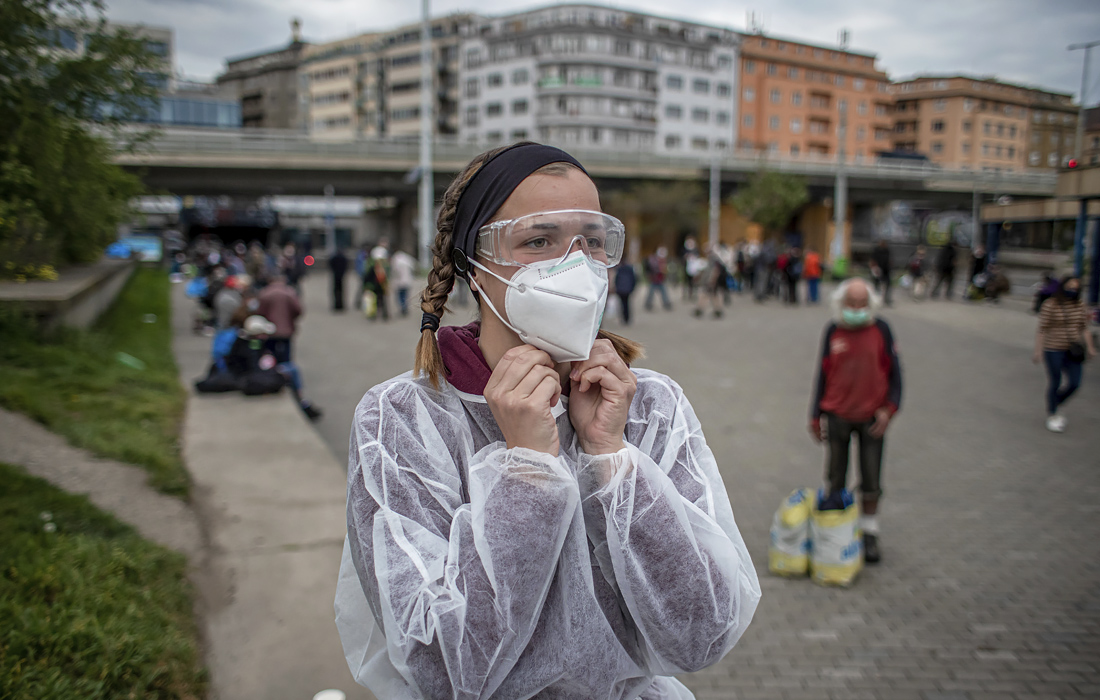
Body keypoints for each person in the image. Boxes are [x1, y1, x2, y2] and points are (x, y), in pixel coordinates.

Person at [334, 142, 760, 699]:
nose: (575, 267)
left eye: (594, 243)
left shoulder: (649, 405)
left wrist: (610, 456)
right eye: (538, 241)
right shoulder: (402, 419)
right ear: (473, 267)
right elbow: (439, 666)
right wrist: (526, 470)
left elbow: (701, 633)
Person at [809, 278, 903, 564]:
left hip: (872, 417)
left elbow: (896, 376)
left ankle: (869, 533)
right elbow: (822, 373)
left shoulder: (881, 330)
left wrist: (889, 410)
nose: (857, 309)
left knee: (871, 479)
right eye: (852, 303)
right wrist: (815, 414)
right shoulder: (833, 330)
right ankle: (835, 533)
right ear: (841, 303)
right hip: (837, 414)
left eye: (862, 304)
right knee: (835, 475)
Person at [1033, 275, 1096, 432]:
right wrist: (1038, 351)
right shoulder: (1051, 304)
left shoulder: (1080, 305)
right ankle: (1053, 413)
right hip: (1053, 348)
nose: (1073, 291)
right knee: (1055, 380)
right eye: (1070, 288)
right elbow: (1042, 329)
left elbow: (1084, 327)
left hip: (1073, 349)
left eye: (1076, 289)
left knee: (1075, 383)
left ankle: (1056, 401)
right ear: (1063, 287)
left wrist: (1090, 347)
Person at [256, 274, 322, 420]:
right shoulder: (289, 292)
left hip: (270, 332)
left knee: (272, 357)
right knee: (287, 359)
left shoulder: (265, 293)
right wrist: (290, 319)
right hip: (286, 332)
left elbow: (259, 312)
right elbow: (298, 310)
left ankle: (276, 376)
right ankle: (287, 381)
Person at [643, 246, 673, 311]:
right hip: (654, 278)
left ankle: (666, 303)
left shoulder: (663, 260)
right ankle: (648, 304)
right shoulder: (653, 259)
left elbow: (665, 269)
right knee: (651, 292)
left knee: (663, 292)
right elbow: (652, 268)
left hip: (660, 279)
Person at [390, 248, 417, 317]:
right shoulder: (407, 259)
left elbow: (394, 271)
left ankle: (402, 308)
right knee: (405, 295)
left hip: (399, 282)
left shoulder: (396, 260)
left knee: (400, 296)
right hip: (407, 281)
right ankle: (405, 307)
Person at [613, 258, 637, 325]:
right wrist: (632, 287)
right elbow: (634, 279)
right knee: (627, 304)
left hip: (621, 289)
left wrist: (616, 287)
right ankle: (627, 318)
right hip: (628, 289)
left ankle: (623, 317)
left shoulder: (619, 269)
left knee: (622, 304)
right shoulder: (630, 268)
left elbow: (616, 279)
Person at [870, 239, 893, 306]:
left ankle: (886, 299)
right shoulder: (876, 250)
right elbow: (873, 260)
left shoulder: (887, 250)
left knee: (888, 284)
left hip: (886, 269)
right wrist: (874, 268)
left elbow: (889, 259)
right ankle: (875, 299)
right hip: (878, 269)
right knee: (876, 285)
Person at [329, 247, 349, 312]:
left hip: (336, 275)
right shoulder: (343, 258)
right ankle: (341, 305)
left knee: (336, 291)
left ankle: (337, 305)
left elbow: (330, 264)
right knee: (341, 291)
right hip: (341, 276)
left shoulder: (334, 258)